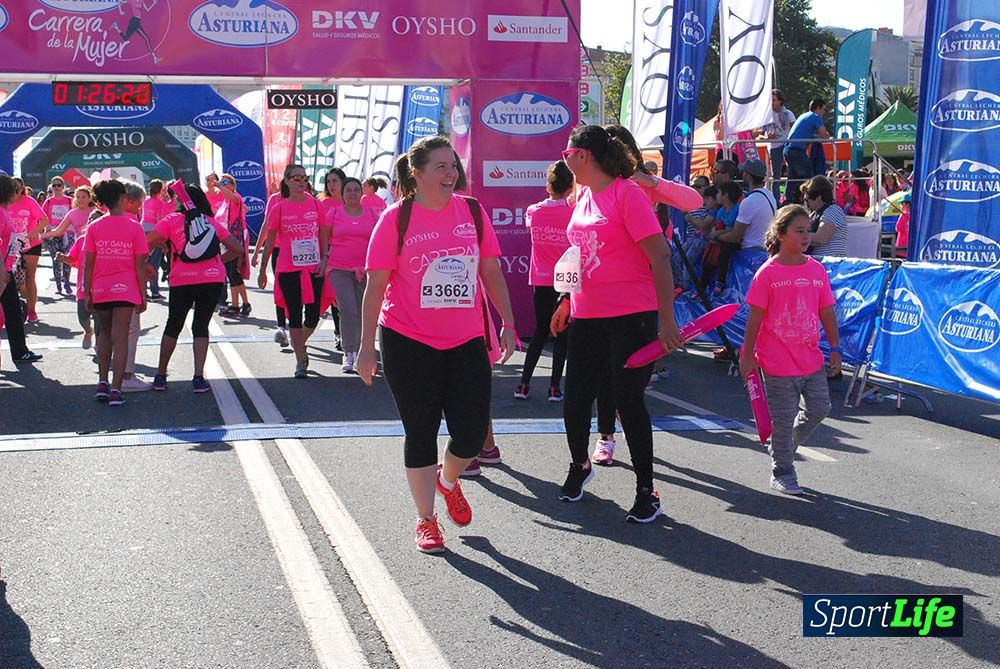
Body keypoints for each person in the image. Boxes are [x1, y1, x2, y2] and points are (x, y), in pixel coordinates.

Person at [356, 136, 517, 554]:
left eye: (453, 166)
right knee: (421, 431)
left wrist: (508, 322)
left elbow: (491, 270)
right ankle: (426, 519)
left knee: (469, 430)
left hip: (465, 339)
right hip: (407, 339)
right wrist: (366, 347)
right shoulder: (396, 219)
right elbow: (375, 288)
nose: (451, 174)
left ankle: (448, 482)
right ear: (418, 173)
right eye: (442, 167)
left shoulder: (473, 212)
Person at [550, 124, 684, 522]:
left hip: (631, 317)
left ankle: (647, 490)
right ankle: (580, 465)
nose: (563, 158)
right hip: (588, 314)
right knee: (574, 400)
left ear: (583, 156)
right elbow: (579, 251)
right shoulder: (583, 195)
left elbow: (660, 257)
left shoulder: (628, 195)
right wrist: (565, 299)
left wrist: (667, 321)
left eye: (567, 152)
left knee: (629, 401)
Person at [740, 205, 841, 495]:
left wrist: (835, 347)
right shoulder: (767, 273)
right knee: (782, 420)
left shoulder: (816, 269)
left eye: (808, 229)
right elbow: (755, 318)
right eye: (799, 230)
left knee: (820, 408)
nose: (806, 235)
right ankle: (782, 470)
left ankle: (783, 445)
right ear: (781, 234)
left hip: (810, 357)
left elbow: (827, 311)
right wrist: (747, 355)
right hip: (777, 362)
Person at [147, 182, 243, 392]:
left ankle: (161, 375)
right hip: (211, 279)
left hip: (182, 279)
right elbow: (237, 248)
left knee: (173, 325)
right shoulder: (209, 221)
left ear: (181, 201)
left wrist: (149, 259)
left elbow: (147, 241)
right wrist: (217, 260)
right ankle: (198, 377)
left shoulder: (171, 220)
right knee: (201, 326)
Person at [258, 164, 332, 378]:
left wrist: (325, 257)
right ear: (287, 181)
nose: (301, 181)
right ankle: (301, 360)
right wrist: (263, 269)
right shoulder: (279, 208)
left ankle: (299, 344)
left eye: (304, 177)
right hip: (289, 268)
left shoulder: (316, 205)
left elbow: (323, 233)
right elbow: (270, 240)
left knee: (313, 316)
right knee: (294, 315)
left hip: (313, 267)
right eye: (296, 177)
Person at [84, 180, 149, 406]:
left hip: (101, 287)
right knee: (120, 338)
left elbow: (88, 263)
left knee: (104, 334)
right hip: (126, 288)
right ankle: (117, 388)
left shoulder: (94, 226)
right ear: (123, 198)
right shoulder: (134, 227)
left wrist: (87, 291)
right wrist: (144, 294)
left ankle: (102, 382)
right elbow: (139, 265)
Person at [514, 160, 573, 402]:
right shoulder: (573, 213)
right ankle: (554, 388)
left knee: (540, 331)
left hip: (541, 279)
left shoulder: (533, 211)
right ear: (571, 186)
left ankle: (524, 385)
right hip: (566, 280)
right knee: (562, 334)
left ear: (548, 185)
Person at [326, 177, 378, 373]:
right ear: (343, 193)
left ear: (362, 193)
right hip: (339, 268)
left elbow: (379, 241)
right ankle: (348, 352)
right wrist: (324, 259)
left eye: (356, 189)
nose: (353, 193)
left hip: (367, 269)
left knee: (364, 311)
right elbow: (324, 238)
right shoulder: (334, 213)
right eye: (349, 190)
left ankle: (363, 351)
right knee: (348, 309)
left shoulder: (373, 214)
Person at [0, 175, 42, 364]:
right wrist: (2, 270)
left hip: (7, 267)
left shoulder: (4, 210)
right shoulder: (1, 212)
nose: (16, 193)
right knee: (12, 311)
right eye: (13, 189)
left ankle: (20, 351)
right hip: (2, 270)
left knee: (14, 311)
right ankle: (19, 351)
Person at [252, 191, 291, 347]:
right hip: (279, 250)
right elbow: (267, 225)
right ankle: (282, 327)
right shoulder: (275, 199)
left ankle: (296, 326)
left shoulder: (308, 199)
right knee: (281, 288)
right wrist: (257, 251)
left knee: (299, 292)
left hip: (301, 252)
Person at [6, 178, 48, 323]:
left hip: (30, 243)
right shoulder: (5, 202)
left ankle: (32, 311)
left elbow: (44, 219)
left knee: (30, 276)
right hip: (10, 246)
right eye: (13, 188)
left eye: (18, 188)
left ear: (22, 188)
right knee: (11, 278)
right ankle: (14, 308)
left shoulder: (29, 201)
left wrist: (35, 231)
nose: (16, 191)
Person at [712, 159, 777, 252]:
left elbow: (735, 236)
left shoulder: (749, 201)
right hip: (765, 248)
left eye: (744, 172)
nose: (741, 174)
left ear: (748, 176)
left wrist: (715, 237)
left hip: (750, 251)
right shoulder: (769, 194)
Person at [212, 173, 251, 317]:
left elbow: (234, 198)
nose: (223, 184)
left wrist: (219, 186)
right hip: (226, 242)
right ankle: (235, 305)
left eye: (226, 182)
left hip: (235, 241)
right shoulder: (224, 203)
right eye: (222, 181)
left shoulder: (236, 198)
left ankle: (245, 303)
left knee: (234, 272)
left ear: (233, 185)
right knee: (229, 272)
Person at [783, 99, 829, 204]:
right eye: (824, 109)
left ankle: (789, 201)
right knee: (809, 177)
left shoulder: (803, 116)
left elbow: (806, 134)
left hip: (788, 149)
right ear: (818, 108)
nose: (824, 112)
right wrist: (827, 136)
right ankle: (810, 201)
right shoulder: (816, 117)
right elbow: (824, 136)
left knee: (792, 178)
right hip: (797, 150)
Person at [755, 90, 796, 203]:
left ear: (780, 101)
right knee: (775, 174)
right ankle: (776, 200)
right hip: (774, 146)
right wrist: (766, 137)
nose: (771, 103)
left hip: (787, 145)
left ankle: (789, 198)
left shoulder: (788, 114)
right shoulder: (766, 115)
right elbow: (759, 133)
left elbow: (794, 129)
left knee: (791, 172)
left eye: (773, 100)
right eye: (770, 100)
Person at [702, 182, 741, 292]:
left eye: (719, 193)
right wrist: (714, 235)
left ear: (726, 195)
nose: (717, 195)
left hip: (730, 241)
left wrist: (717, 235)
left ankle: (720, 281)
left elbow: (733, 229)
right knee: (708, 258)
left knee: (724, 254)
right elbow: (716, 226)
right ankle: (701, 288)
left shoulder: (737, 210)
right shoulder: (720, 211)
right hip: (719, 239)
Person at [41, 177, 74, 295]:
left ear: (63, 187)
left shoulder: (70, 201)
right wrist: (43, 234)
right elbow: (43, 218)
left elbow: (76, 216)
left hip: (68, 234)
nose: (56, 188)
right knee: (55, 259)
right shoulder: (48, 202)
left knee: (67, 258)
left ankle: (67, 283)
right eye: (54, 185)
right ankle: (59, 286)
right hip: (53, 234)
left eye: (59, 185)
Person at [802, 176, 849, 258]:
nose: (805, 203)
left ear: (818, 197)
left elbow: (820, 238)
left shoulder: (832, 211)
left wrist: (794, 236)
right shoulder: (814, 214)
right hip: (819, 263)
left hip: (832, 264)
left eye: (807, 200)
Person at [140, 179, 169, 299]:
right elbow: (159, 220)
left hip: (142, 229)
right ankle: (155, 291)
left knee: (143, 261)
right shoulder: (161, 203)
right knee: (154, 263)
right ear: (161, 190)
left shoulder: (145, 201)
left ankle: (144, 290)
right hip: (153, 231)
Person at [894, 192, 911, 259]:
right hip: (910, 246)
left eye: (901, 203)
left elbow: (898, 228)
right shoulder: (916, 215)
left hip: (901, 246)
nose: (900, 206)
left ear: (907, 204)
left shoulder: (904, 215)